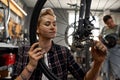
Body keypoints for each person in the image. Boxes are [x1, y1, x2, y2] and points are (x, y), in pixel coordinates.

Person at [12, 8, 107, 80]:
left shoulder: (64, 52)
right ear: (37, 29)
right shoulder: (24, 50)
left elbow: (84, 78)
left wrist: (98, 63)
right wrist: (31, 66)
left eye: (54, 24)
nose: (53, 27)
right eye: (47, 24)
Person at [99, 15, 120, 79]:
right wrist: (100, 39)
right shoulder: (104, 29)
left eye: (111, 21)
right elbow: (101, 40)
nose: (111, 24)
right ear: (105, 23)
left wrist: (114, 42)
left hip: (115, 52)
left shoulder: (118, 28)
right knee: (104, 71)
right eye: (108, 23)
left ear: (112, 19)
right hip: (105, 51)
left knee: (116, 72)